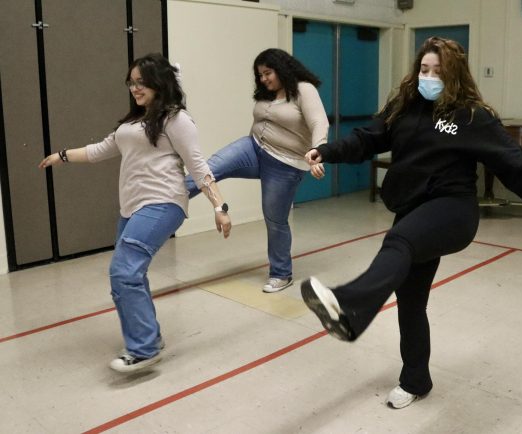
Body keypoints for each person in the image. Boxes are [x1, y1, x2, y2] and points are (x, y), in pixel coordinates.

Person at [301, 37, 522, 409]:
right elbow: (367, 139)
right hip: (414, 208)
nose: (429, 77)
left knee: (398, 241)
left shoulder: (470, 117)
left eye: (438, 72)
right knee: (411, 302)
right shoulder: (404, 108)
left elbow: (516, 164)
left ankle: (349, 307)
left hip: (453, 209)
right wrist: (328, 150)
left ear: (454, 76)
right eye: (424, 70)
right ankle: (416, 380)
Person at [39, 53, 231, 373]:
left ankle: (143, 349)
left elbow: (198, 166)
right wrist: (61, 155)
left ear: (160, 82)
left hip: (163, 202)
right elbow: (100, 150)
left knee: (123, 272)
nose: (135, 88)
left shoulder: (175, 119)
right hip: (132, 208)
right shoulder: (132, 123)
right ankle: (150, 338)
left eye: (141, 82)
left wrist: (219, 206)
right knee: (128, 276)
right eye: (131, 82)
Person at [186, 48, 329, 293]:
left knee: (275, 219)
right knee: (211, 167)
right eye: (259, 75)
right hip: (253, 148)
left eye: (268, 73)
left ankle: (281, 274)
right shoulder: (267, 93)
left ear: (282, 69)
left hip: (285, 163)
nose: (263, 79)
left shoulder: (303, 90)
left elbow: (319, 122)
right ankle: (164, 197)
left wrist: (318, 152)